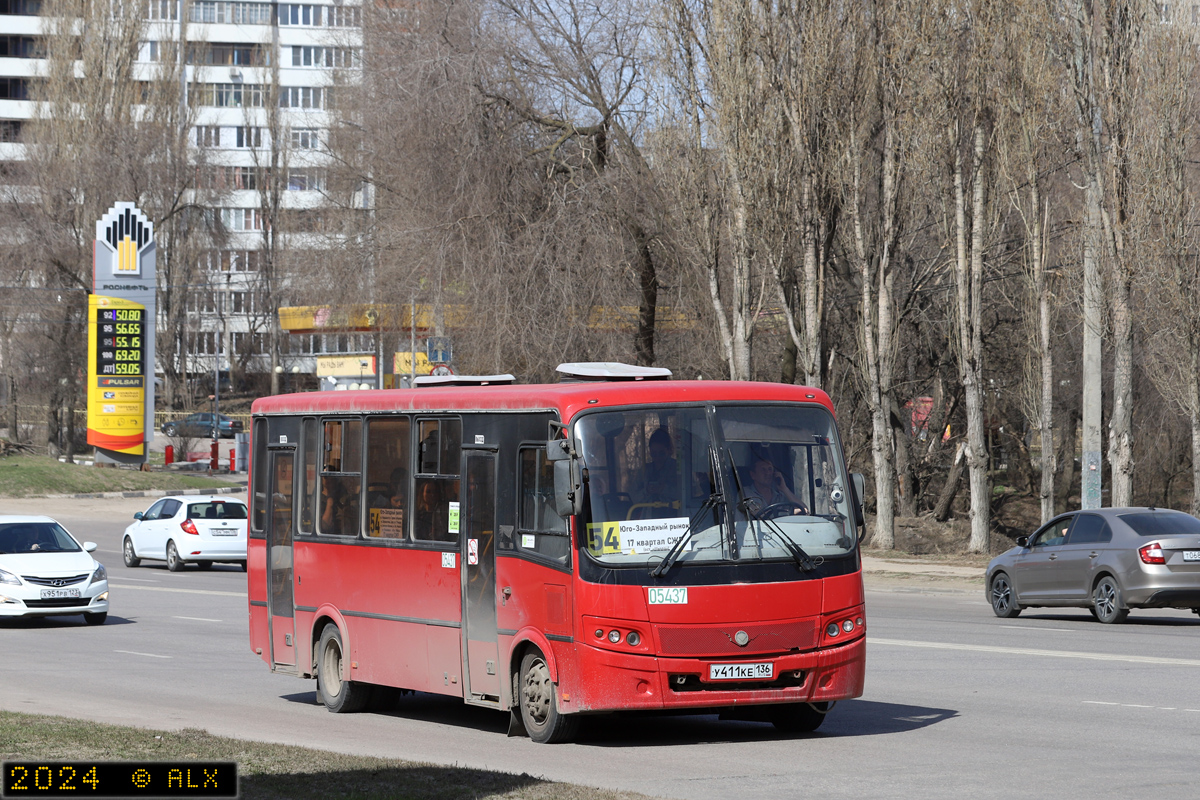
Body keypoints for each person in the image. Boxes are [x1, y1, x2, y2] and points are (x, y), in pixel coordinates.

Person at [640, 428, 679, 504]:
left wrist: (664, 489)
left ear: (669, 450)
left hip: (676, 513)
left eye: (661, 453)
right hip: (649, 514)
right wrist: (646, 490)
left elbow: (688, 493)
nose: (657, 458)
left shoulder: (678, 468)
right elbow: (632, 496)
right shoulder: (645, 470)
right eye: (654, 453)